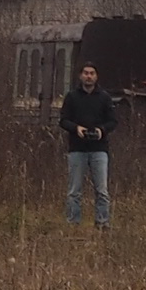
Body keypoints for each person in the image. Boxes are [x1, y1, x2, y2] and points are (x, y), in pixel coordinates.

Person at [59, 62, 117, 227]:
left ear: (96, 76)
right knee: (74, 191)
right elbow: (63, 120)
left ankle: (102, 222)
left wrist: (101, 130)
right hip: (77, 149)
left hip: (99, 149)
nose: (88, 76)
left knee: (102, 190)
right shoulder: (72, 97)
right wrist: (76, 128)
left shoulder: (104, 98)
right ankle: (73, 222)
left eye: (92, 73)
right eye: (85, 73)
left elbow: (113, 121)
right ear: (80, 75)